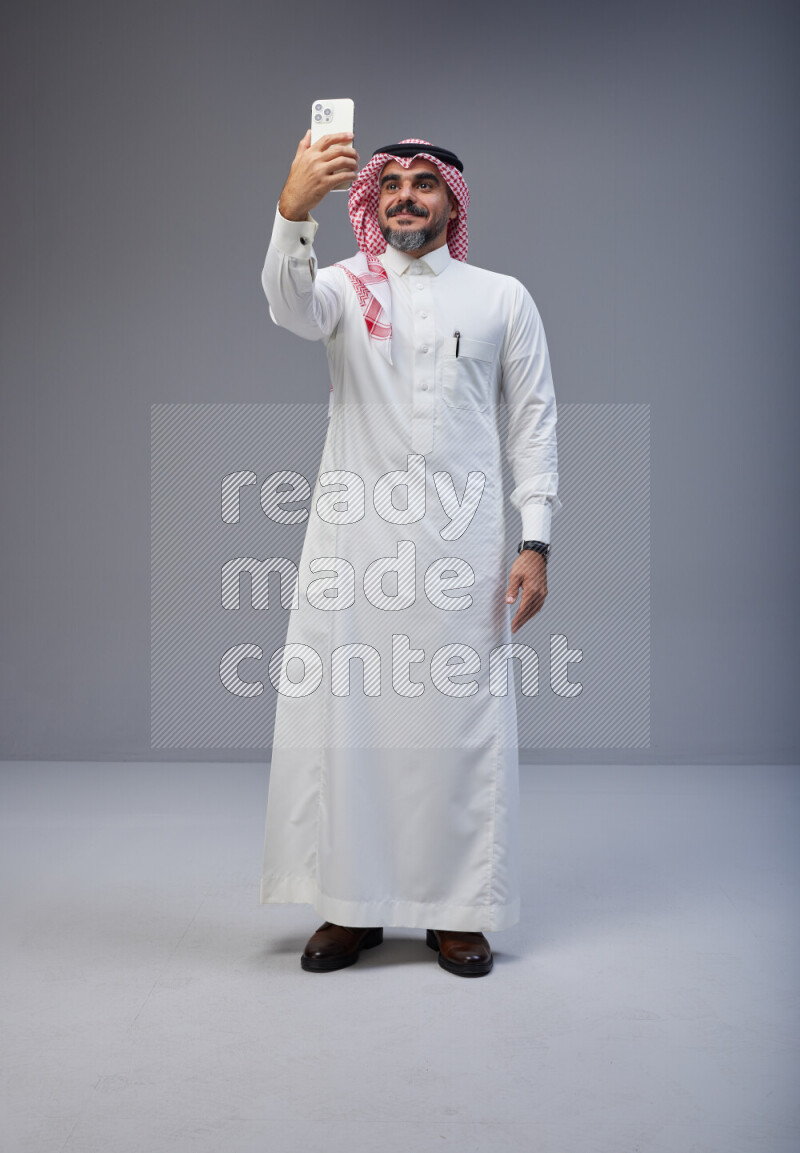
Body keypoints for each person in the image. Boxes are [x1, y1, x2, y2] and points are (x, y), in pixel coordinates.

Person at [259, 130, 561, 977]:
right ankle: (351, 909)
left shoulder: (502, 297)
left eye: (424, 185)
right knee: (351, 727)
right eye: (389, 184)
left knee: (458, 731)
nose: (404, 198)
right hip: (354, 549)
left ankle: (457, 912)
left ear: (453, 202)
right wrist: (293, 208)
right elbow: (285, 303)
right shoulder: (343, 288)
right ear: (370, 203)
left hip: (463, 552)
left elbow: (532, 421)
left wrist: (535, 538)